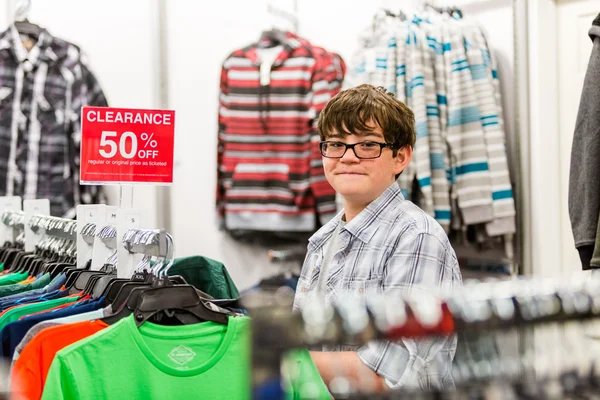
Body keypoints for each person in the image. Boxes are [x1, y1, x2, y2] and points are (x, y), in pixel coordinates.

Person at [293, 84, 463, 392]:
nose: (347, 157)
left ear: (400, 157)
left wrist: (276, 356)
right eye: (335, 144)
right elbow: (304, 342)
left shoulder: (416, 237)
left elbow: (388, 373)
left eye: (368, 145)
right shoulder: (323, 241)